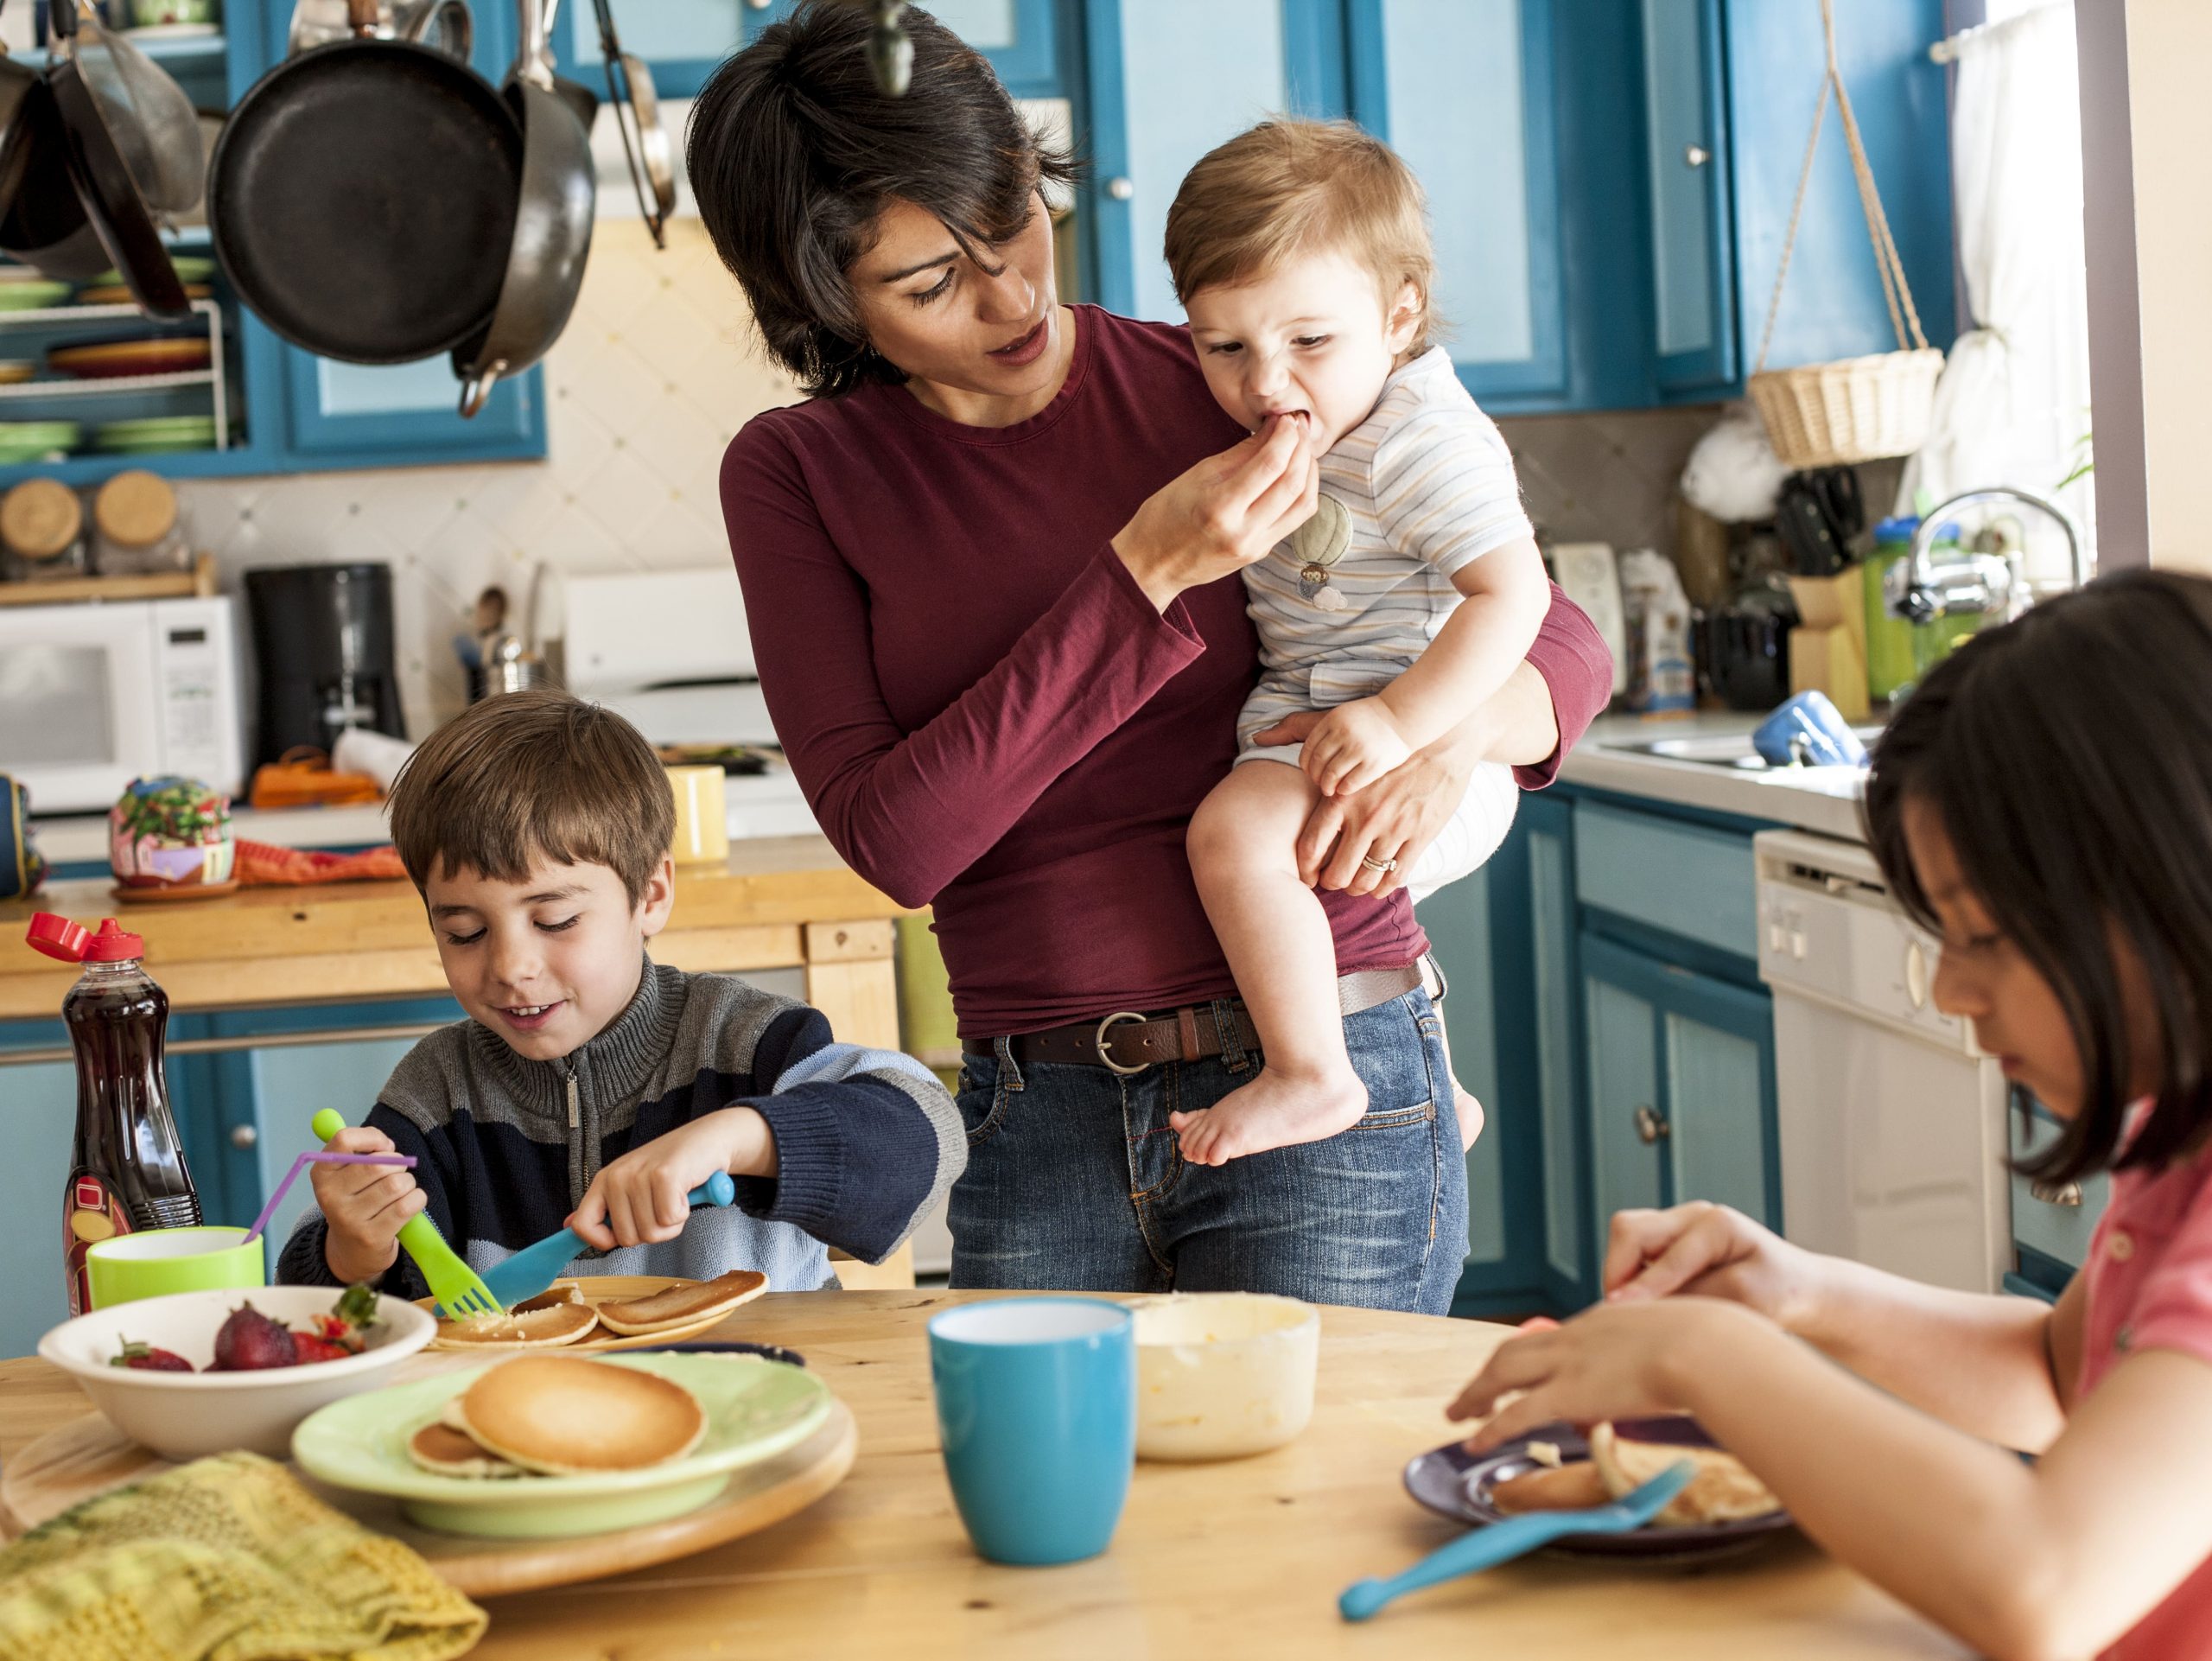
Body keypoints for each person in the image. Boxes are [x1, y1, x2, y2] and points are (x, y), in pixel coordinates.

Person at [693, 1, 1611, 1313]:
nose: (1012, 293)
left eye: (1011, 217)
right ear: (820, 296)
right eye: (930, 283)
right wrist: (1146, 571)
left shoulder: (1227, 372)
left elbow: (1560, 628)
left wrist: (1445, 733)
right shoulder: (798, 476)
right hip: (1041, 1108)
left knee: (1324, 1513)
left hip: (1333, 1065)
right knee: (1053, 1518)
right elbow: (897, 840)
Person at [1448, 570, 2212, 1660]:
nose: (1949, 990)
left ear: (2159, 895)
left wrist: (1705, 1359)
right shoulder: (2176, 1136)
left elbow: (2041, 1585)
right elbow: (2055, 1372)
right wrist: (1795, 1292)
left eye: (1979, 935)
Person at [276, 689, 962, 1297]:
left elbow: (927, 1136)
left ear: (652, 895)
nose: (511, 967)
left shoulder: (743, 1042)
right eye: (463, 932)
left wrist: (738, 1137)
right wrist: (354, 1251)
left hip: (756, 1401)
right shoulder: (437, 1092)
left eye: (556, 921)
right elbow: (321, 1305)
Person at [1161, 120, 1548, 1167]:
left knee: (1233, 841)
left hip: (1421, 750)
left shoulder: (1415, 440)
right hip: (1344, 734)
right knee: (1319, 891)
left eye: (1309, 343)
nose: (1266, 385)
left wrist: (1401, 723)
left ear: (1400, 313)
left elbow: (1515, 594)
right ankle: (1440, 1088)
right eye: (1224, 347)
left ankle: (1313, 1075)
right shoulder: (1311, 428)